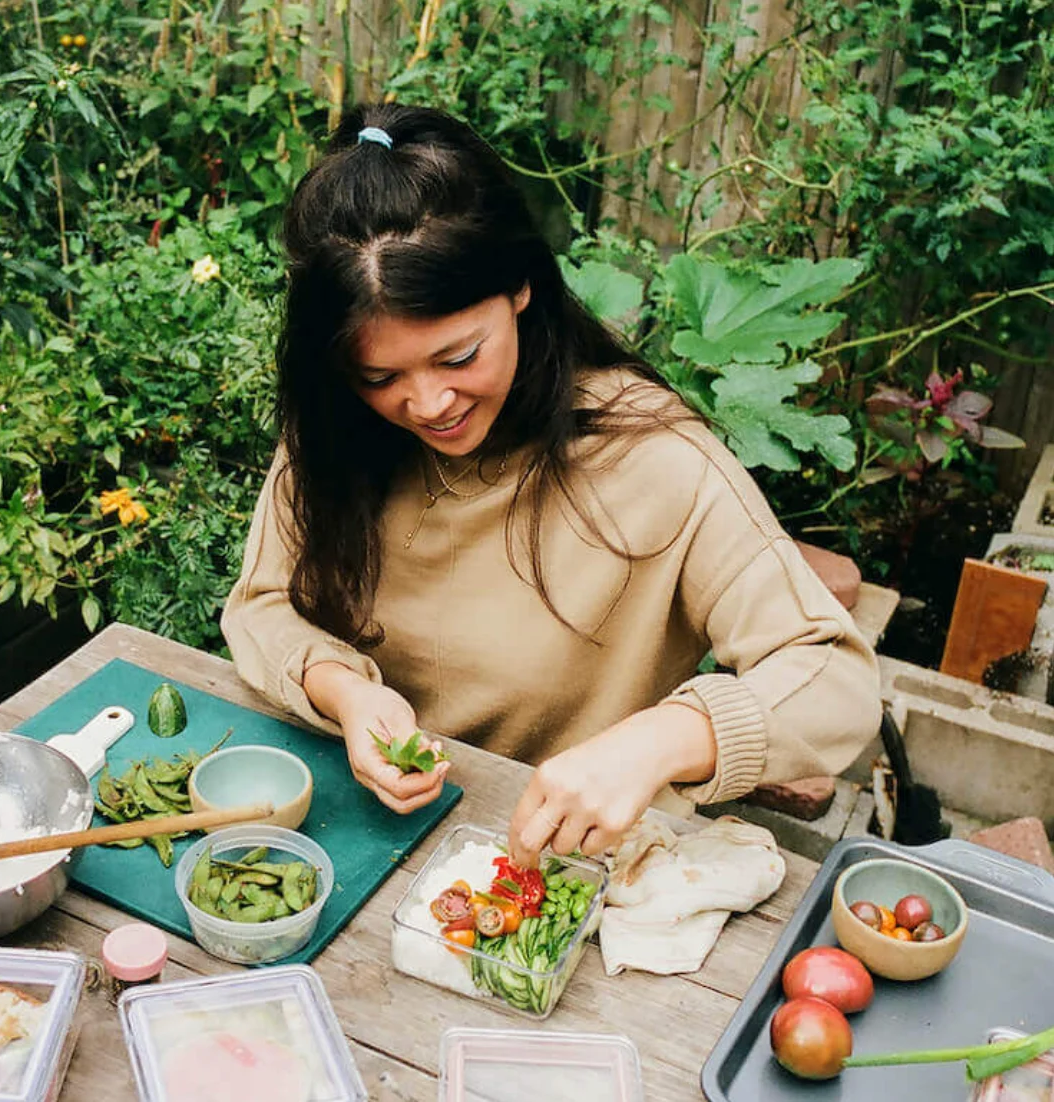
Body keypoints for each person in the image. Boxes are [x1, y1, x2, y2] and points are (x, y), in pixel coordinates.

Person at [220, 103, 882, 867]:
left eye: (459, 357)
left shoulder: (653, 456)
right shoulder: (340, 429)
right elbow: (261, 604)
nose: (427, 404)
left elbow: (835, 678)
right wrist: (345, 691)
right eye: (380, 376)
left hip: (571, 865)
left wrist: (664, 739)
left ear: (521, 289)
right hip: (365, 835)